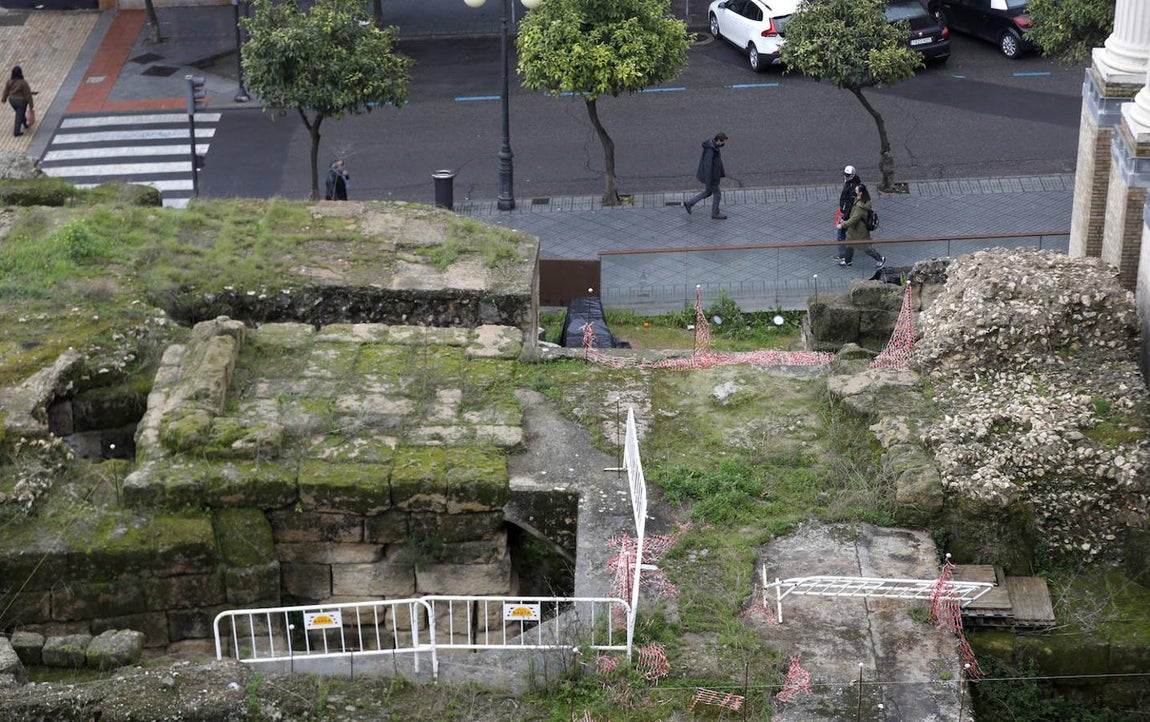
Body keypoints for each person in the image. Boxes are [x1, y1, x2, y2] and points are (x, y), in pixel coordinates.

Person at [837, 184, 885, 268]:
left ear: (860, 193)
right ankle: (847, 261)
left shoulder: (860, 207)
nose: (854, 192)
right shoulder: (862, 200)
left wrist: (842, 225)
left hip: (859, 232)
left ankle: (880, 259)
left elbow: (854, 219)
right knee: (849, 245)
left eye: (856, 191)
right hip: (855, 230)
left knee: (865, 248)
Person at [684, 132, 728, 219]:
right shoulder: (711, 150)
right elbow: (708, 166)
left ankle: (689, 203)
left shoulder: (713, 147)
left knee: (708, 192)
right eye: (723, 142)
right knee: (717, 194)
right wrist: (709, 180)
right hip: (712, 178)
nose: (723, 144)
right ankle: (715, 213)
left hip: (713, 177)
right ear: (718, 140)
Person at [835, 165, 862, 260]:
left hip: (849, 215)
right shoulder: (853, 184)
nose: (846, 177)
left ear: (853, 175)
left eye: (848, 175)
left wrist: (843, 216)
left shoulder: (852, 187)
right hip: (851, 213)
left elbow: (849, 204)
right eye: (845, 175)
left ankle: (843, 255)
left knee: (841, 233)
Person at [2, 66, 34, 138]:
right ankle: (16, 131)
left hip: (12, 100)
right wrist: (31, 105)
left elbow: (6, 91)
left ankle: (25, 124)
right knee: (19, 115)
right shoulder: (23, 83)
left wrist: (4, 99)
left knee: (20, 113)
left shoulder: (9, 81)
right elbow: (28, 94)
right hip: (21, 101)